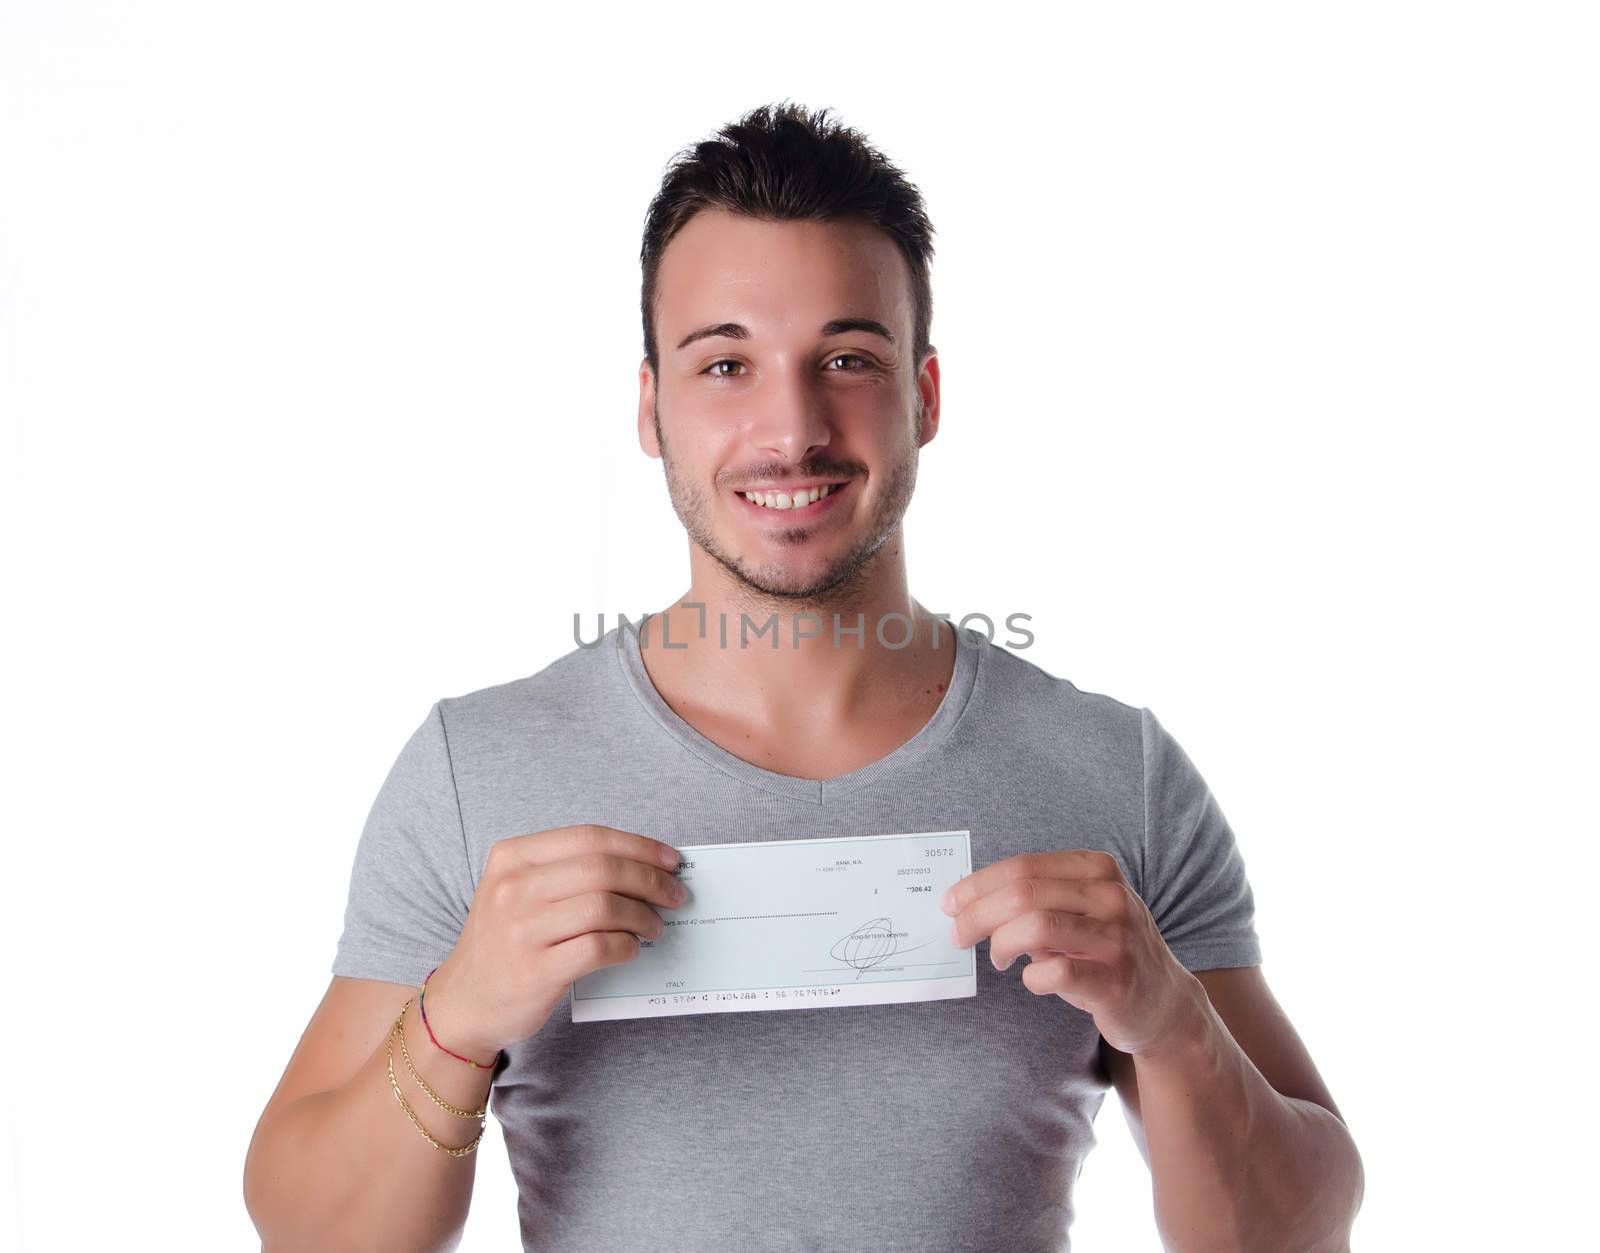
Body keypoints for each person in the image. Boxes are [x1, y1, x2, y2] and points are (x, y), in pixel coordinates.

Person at [244, 100, 1364, 1252]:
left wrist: (1172, 1020)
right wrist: (456, 1017)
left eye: (846, 359)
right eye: (725, 363)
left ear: (924, 395)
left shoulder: (1112, 773)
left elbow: (1297, 1234)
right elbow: (307, 1232)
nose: (791, 426)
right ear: (651, 409)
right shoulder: (474, 774)